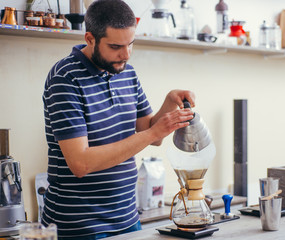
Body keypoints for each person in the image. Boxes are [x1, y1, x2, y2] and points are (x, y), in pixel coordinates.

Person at [41, 0, 195, 239]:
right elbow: (81, 164)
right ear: (90, 38)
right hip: (80, 226)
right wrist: (153, 133)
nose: (125, 54)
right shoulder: (65, 78)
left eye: (130, 44)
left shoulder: (127, 72)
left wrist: (169, 102)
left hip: (127, 218)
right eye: (115, 46)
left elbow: (149, 133)